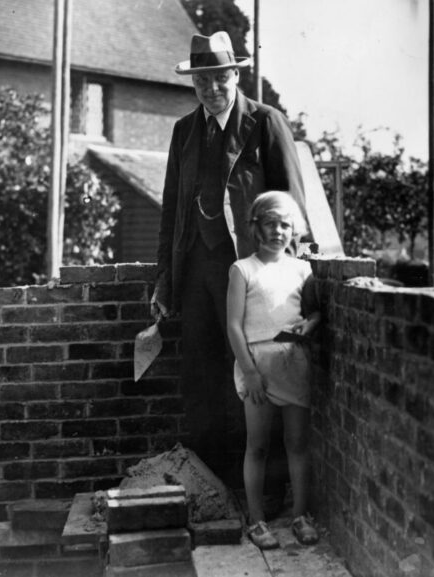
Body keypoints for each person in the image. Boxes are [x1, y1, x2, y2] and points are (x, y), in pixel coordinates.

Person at [152, 31, 306, 483]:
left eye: (220, 78)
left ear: (236, 74)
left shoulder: (264, 122)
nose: (212, 89)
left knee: (256, 372)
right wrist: (165, 279)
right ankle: (212, 486)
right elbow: (170, 210)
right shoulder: (184, 131)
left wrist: (283, 280)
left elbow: (290, 207)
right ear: (193, 82)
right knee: (201, 375)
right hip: (196, 271)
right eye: (202, 80)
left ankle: (268, 489)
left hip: (249, 271)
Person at [226, 191, 320, 550]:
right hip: (258, 366)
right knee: (259, 445)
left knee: (297, 443)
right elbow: (234, 326)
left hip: (293, 362)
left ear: (293, 229)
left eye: (285, 224)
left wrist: (309, 326)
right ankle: (256, 519)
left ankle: (300, 514)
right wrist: (249, 372)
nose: (278, 231)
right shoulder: (242, 269)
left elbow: (313, 313)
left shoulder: (302, 269)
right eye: (270, 223)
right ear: (255, 227)